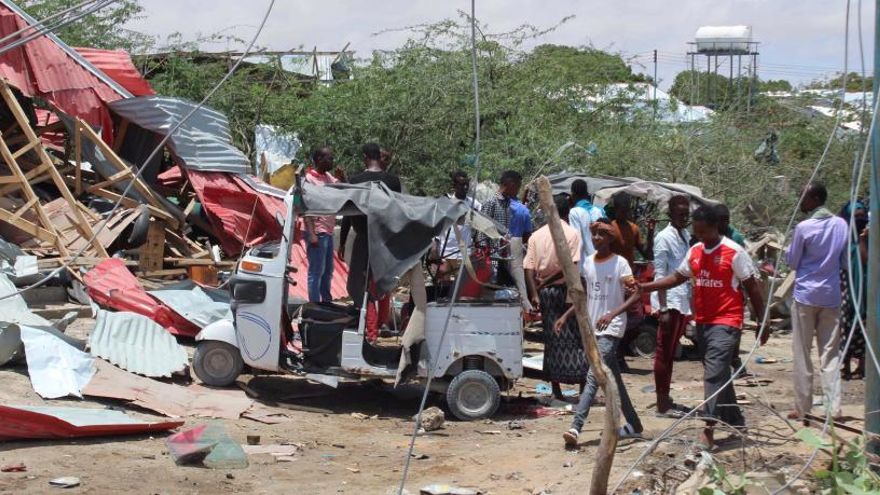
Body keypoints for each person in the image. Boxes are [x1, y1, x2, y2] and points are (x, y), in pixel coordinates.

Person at [640, 206, 767, 450]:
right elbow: (677, 277)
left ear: (715, 227)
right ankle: (736, 423)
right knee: (719, 375)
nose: (698, 235)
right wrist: (647, 287)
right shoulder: (695, 251)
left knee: (713, 374)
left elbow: (752, 286)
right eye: (696, 231)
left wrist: (763, 319)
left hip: (727, 322)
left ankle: (708, 428)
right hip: (704, 324)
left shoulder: (733, 251)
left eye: (703, 231)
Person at [556, 219, 644, 446]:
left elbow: (636, 294)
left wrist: (612, 314)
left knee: (593, 374)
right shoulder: (587, 263)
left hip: (612, 328)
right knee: (614, 379)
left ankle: (575, 427)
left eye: (601, 235)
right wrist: (566, 316)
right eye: (593, 234)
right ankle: (635, 425)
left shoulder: (620, 264)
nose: (596, 238)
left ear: (610, 238)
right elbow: (582, 297)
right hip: (594, 328)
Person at [785, 182, 848, 421]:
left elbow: (792, 262)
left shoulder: (804, 227)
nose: (801, 201)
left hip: (805, 295)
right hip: (831, 295)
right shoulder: (841, 224)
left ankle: (803, 408)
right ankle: (834, 409)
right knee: (830, 353)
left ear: (814, 199)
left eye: (803, 197)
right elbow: (843, 262)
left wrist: (789, 253)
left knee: (802, 353)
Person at [524, 194, 587, 400]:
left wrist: (535, 293)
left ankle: (556, 390)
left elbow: (529, 268)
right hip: (565, 291)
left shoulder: (536, 235)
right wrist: (545, 283)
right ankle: (582, 389)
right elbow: (570, 266)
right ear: (567, 210)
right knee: (577, 339)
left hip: (545, 294)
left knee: (552, 340)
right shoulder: (572, 234)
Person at [338, 143, 403, 342]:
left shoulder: (357, 181)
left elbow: (349, 215)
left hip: (364, 241)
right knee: (383, 285)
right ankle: (381, 323)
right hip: (386, 241)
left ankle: (370, 334)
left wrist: (342, 242)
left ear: (366, 157)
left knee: (362, 288)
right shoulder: (393, 182)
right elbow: (396, 213)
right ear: (379, 156)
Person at [651, 195, 693, 418]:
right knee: (663, 353)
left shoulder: (684, 235)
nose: (684, 217)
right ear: (671, 213)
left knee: (670, 353)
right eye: (680, 213)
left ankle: (665, 398)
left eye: (686, 213)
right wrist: (664, 308)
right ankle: (661, 403)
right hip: (670, 302)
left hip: (682, 300)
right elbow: (660, 274)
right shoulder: (663, 238)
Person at [715, 203, 749, 378]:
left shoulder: (736, 238)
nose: (724, 224)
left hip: (733, 290)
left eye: (726, 220)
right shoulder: (711, 237)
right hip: (716, 291)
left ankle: (734, 360)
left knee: (734, 328)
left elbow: (744, 269)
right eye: (721, 220)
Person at [303, 147, 339, 303]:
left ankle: (326, 301)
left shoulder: (328, 177)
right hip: (318, 231)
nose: (331, 161)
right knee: (316, 271)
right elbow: (305, 207)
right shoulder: (309, 180)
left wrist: (342, 178)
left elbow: (341, 191)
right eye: (328, 158)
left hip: (328, 230)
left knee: (328, 270)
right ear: (319, 159)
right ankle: (315, 304)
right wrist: (311, 233)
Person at [432, 171, 482, 280]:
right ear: (454, 186)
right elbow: (437, 226)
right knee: (443, 285)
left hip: (463, 253)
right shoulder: (446, 203)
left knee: (460, 287)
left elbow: (482, 223)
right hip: (445, 253)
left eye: (466, 184)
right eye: (461, 184)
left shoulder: (474, 204)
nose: (465, 187)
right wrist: (434, 248)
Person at [839, 201, 868, 380]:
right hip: (846, 287)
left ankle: (863, 366)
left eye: (861, 216)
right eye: (855, 217)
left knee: (864, 324)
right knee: (846, 324)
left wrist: (864, 239)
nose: (860, 220)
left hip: (865, 288)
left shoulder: (868, 238)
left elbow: (865, 260)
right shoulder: (844, 238)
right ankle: (846, 365)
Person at [479, 170, 523, 285]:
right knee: (492, 285)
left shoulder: (508, 203)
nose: (518, 190)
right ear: (511, 184)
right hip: (492, 257)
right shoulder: (491, 202)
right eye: (518, 186)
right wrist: (485, 255)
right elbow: (481, 231)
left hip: (504, 255)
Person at [609, 192, 654, 270]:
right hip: (611, 274)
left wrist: (650, 232)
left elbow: (648, 255)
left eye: (626, 210)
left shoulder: (634, 228)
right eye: (622, 211)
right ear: (615, 209)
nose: (625, 214)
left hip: (628, 275)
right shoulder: (609, 228)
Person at [568, 179, 606, 264]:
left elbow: (577, 241)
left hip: (585, 264)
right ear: (586, 194)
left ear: (573, 195)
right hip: (601, 261)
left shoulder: (574, 212)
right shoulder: (600, 211)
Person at [508, 197, 534, 310]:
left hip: (498, 244)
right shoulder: (523, 209)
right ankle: (526, 308)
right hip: (517, 243)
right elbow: (528, 235)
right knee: (519, 279)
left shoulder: (499, 204)